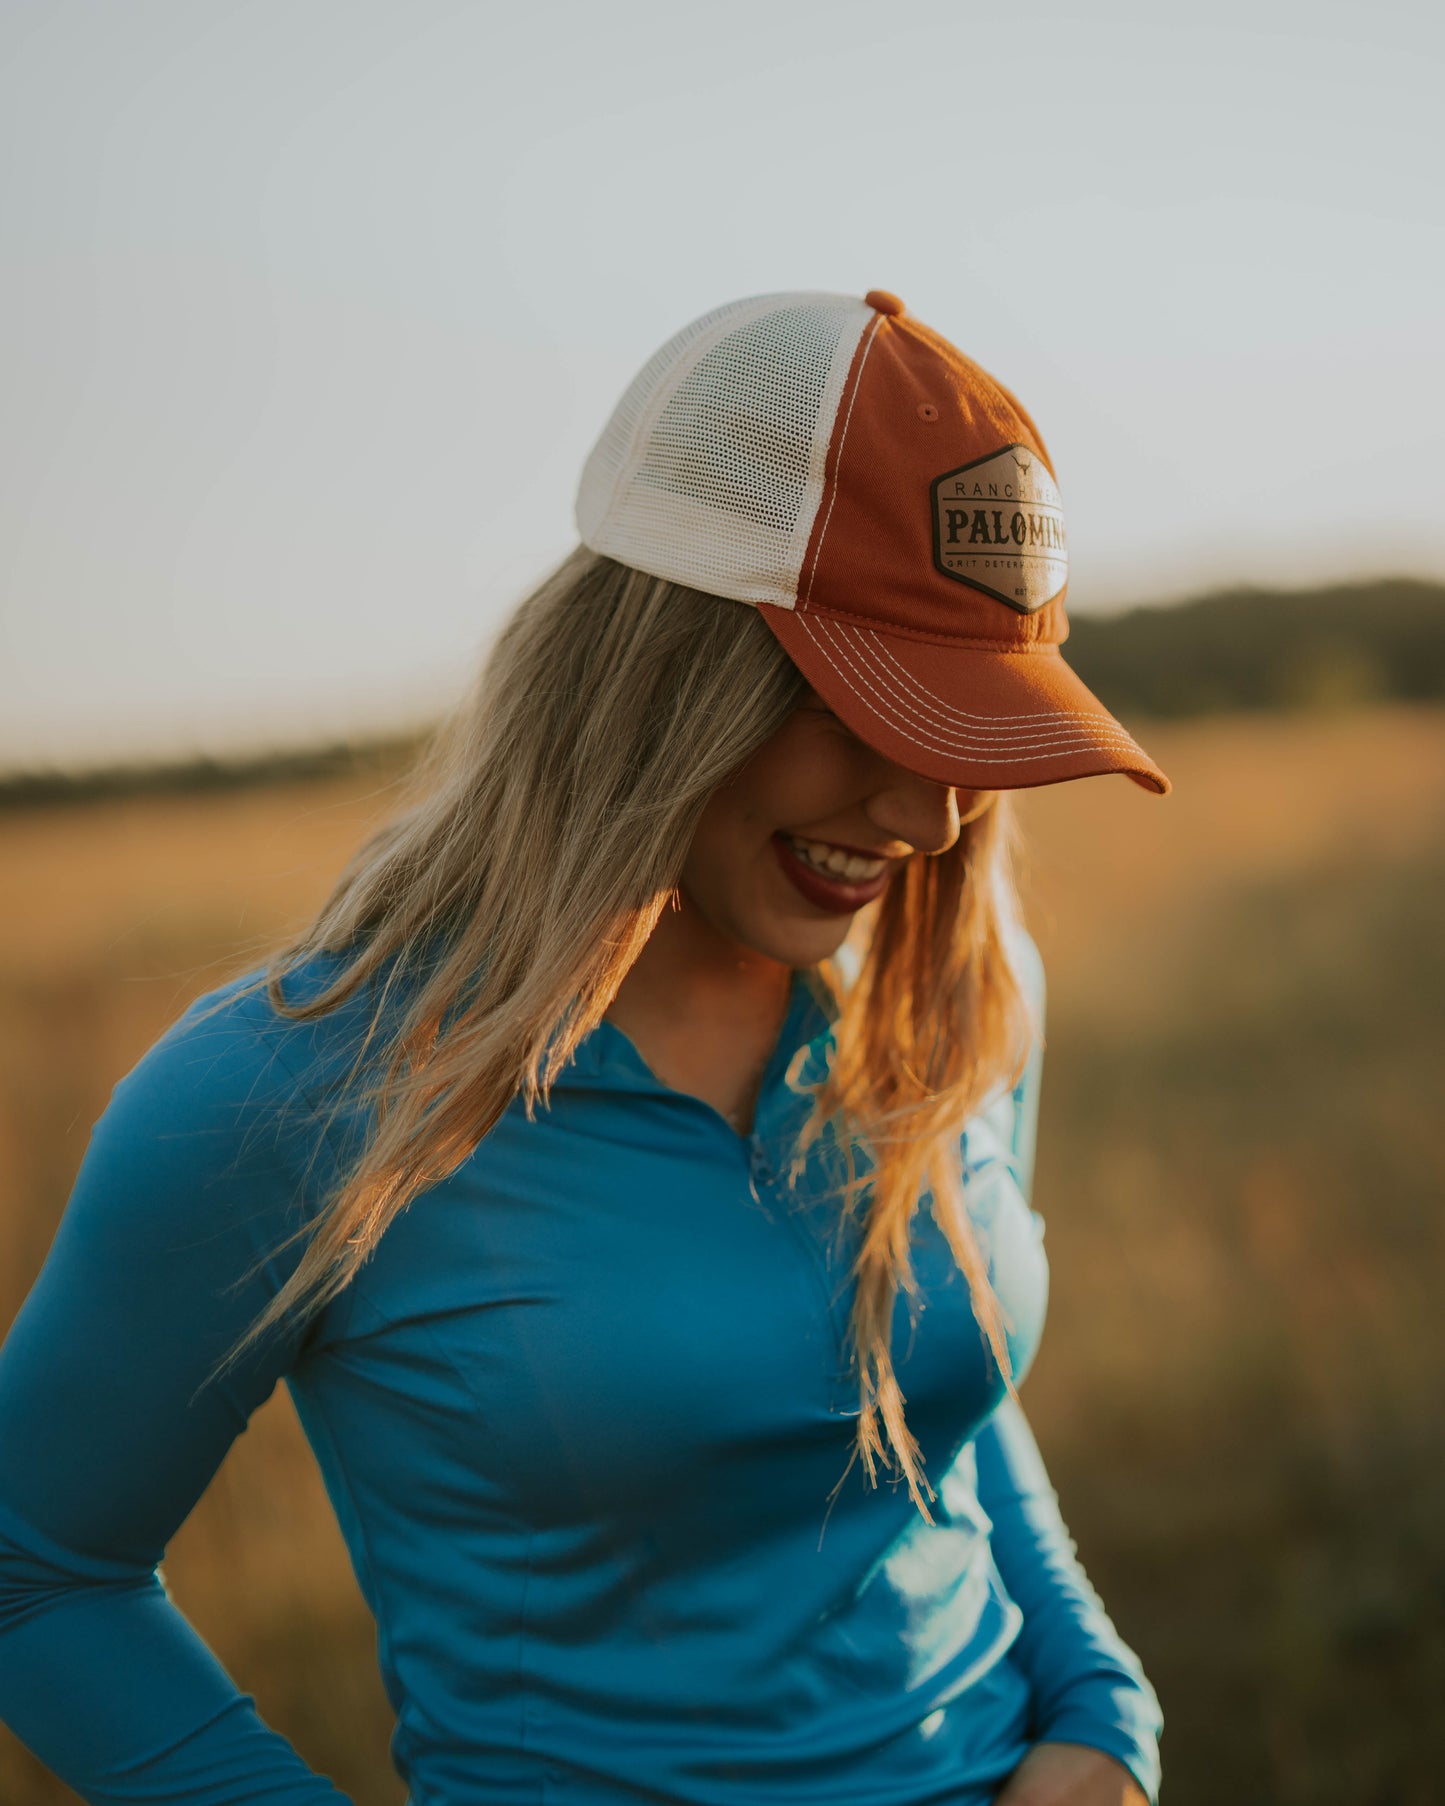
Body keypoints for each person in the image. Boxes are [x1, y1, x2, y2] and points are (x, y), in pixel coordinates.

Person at [0, 288, 1169, 1805]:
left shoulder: (947, 989)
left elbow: (930, 1384)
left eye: (966, 726)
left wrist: (1097, 1708)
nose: (928, 815)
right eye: (860, 712)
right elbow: (39, 1565)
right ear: (654, 673)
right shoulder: (292, 1092)